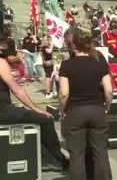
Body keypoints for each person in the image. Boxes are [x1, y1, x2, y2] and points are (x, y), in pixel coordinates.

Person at [59, 34, 114, 180]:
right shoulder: (100, 62)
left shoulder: (67, 65)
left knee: (77, 154)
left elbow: (64, 93)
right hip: (97, 110)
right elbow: (109, 91)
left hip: (75, 111)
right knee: (101, 152)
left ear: (73, 46)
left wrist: (62, 112)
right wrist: (106, 107)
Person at [0, 35, 68, 171]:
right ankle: (56, 160)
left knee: (29, 119)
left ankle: (45, 157)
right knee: (45, 119)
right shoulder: (1, 62)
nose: (4, 46)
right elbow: (17, 90)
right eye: (2, 43)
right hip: (2, 111)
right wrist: (36, 108)